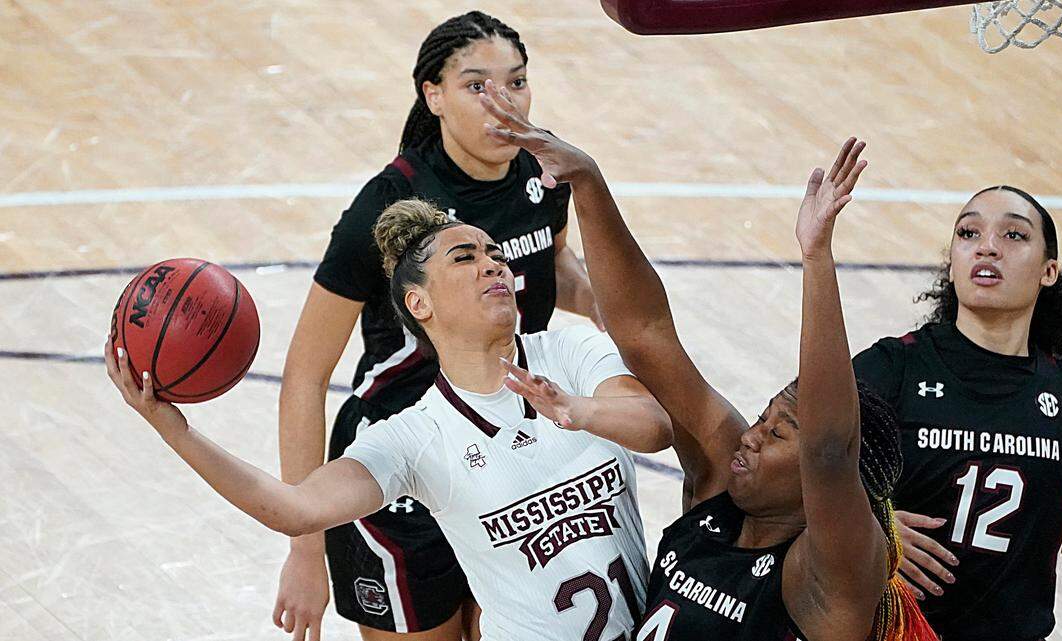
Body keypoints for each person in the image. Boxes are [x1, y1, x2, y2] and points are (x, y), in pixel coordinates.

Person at [479, 85, 936, 640]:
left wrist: (816, 258)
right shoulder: (722, 489)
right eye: (765, 417)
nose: (752, 435)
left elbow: (829, 449)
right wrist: (588, 182)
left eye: (778, 433)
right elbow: (646, 337)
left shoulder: (825, 579)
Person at [106, 200, 670, 641]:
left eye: (495, 253)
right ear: (419, 304)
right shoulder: (413, 438)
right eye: (465, 257)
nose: (492, 263)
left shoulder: (568, 354)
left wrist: (581, 410)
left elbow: (656, 423)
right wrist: (171, 428)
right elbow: (291, 508)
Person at [275, 11, 600, 641]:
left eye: (517, 82)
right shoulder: (390, 207)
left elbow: (553, 260)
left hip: (510, 451)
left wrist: (615, 312)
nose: (503, 103)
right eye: (477, 86)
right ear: (434, 96)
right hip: (405, 464)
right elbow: (305, 377)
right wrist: (304, 548)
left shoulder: (545, 172)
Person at [851, 186, 1062, 641]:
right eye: (969, 232)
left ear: (1049, 272)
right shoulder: (891, 368)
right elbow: (789, 482)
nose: (987, 246)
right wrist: (869, 531)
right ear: (952, 263)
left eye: (1013, 235)